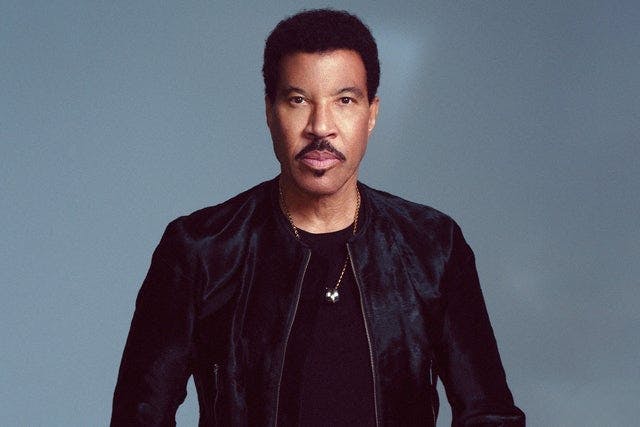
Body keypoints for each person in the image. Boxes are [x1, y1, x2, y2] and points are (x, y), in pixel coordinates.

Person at [111, 8, 525, 427]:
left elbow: (490, 414)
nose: (320, 126)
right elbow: (138, 417)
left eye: (344, 100)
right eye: (298, 100)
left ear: (371, 113)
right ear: (270, 112)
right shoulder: (200, 249)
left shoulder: (433, 247)